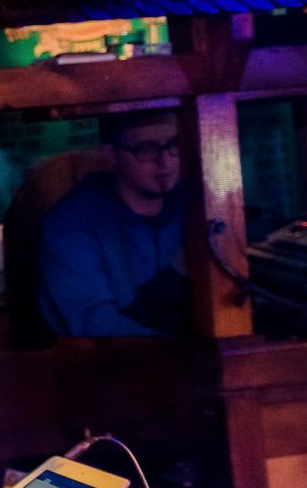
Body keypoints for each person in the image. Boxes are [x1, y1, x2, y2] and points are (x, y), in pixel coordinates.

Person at [36, 109, 191, 336]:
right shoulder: (70, 225)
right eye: (146, 149)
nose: (166, 162)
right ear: (110, 155)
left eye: (174, 144)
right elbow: (95, 326)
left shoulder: (196, 202)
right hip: (117, 359)